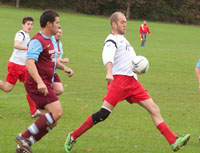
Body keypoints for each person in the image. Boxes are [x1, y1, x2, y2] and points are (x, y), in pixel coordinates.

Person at [64, 12, 190, 153]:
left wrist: (139, 66)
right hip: (120, 82)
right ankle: (73, 136)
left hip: (133, 82)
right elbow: (108, 57)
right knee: (103, 114)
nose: (125, 24)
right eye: (122, 22)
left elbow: (132, 61)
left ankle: (173, 141)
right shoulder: (111, 40)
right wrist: (109, 72)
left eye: (126, 22)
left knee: (154, 109)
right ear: (114, 24)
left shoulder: (124, 40)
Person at [15, 10, 73, 153]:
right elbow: (29, 62)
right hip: (37, 85)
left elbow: (51, 60)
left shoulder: (52, 39)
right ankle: (24, 136)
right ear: (49, 24)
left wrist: (63, 67)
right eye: (57, 23)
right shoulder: (37, 41)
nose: (58, 26)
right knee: (57, 112)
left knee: (53, 122)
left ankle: (23, 146)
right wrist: (40, 82)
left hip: (45, 83)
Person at [0, 17, 41, 118]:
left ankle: (34, 111)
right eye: (28, 24)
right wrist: (28, 47)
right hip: (15, 65)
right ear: (23, 25)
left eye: (31, 24)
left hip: (23, 66)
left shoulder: (27, 35)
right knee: (7, 88)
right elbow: (16, 45)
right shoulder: (20, 34)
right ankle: (34, 110)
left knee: (30, 86)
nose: (30, 26)